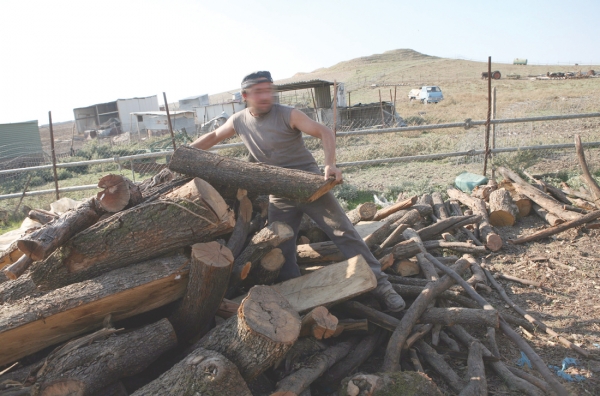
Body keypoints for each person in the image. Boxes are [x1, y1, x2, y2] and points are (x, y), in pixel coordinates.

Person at [190, 71, 406, 312]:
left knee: (343, 233)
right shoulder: (239, 120)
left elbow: (324, 131)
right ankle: (296, 296)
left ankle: (382, 287)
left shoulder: (288, 114)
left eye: (268, 90)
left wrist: (330, 163)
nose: (265, 96)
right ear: (245, 96)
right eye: (258, 91)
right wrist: (184, 154)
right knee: (282, 247)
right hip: (279, 193)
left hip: (309, 186)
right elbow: (213, 136)